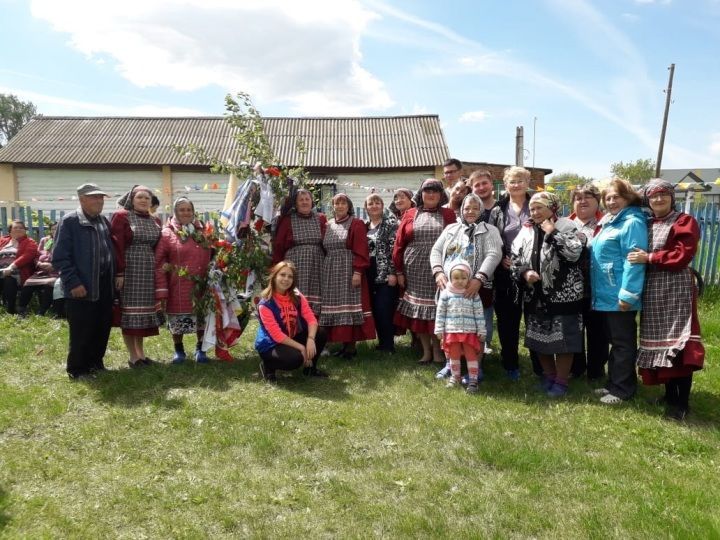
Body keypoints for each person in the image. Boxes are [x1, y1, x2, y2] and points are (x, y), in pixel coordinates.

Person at [627, 179, 704, 420]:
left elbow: (681, 255)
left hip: (676, 288)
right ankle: (670, 394)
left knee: (678, 342)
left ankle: (682, 403)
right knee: (661, 342)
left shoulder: (684, 222)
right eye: (653, 196)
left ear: (672, 197)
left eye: (663, 195)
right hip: (653, 289)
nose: (658, 200)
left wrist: (650, 257)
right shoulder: (647, 223)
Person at [511, 192, 586, 397]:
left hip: (564, 296)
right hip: (535, 295)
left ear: (552, 208)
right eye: (532, 208)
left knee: (563, 342)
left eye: (539, 208)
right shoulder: (526, 230)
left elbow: (574, 253)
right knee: (539, 339)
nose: (534, 212)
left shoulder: (567, 226)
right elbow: (514, 257)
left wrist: (552, 233)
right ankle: (549, 376)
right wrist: (525, 272)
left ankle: (562, 382)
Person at [430, 193, 502, 379]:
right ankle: (450, 364)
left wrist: (479, 279)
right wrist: (438, 272)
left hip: (476, 288)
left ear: (481, 210)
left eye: (475, 208)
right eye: (467, 208)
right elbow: (436, 250)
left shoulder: (489, 230)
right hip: (451, 289)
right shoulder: (452, 229)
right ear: (461, 209)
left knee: (478, 327)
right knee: (450, 327)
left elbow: (494, 254)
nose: (470, 211)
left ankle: (475, 367)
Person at [590, 178, 647, 404]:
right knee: (615, 341)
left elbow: (634, 260)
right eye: (608, 197)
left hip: (619, 294)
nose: (611, 201)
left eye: (617, 197)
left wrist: (628, 295)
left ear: (628, 198)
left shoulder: (632, 222)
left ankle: (623, 390)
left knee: (623, 343)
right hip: (605, 293)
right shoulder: (610, 222)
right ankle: (614, 383)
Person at [52, 183, 115, 380]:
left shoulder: (103, 220)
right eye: (94, 197)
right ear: (81, 199)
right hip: (82, 283)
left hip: (104, 282)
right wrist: (73, 283)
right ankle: (77, 369)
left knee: (102, 324)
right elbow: (61, 257)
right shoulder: (70, 221)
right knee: (82, 328)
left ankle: (96, 363)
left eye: (101, 198)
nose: (99, 201)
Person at [393, 178, 457, 363]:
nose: (431, 194)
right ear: (421, 195)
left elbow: (454, 242)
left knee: (438, 309)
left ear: (441, 195)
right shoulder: (410, 213)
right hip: (414, 268)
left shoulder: (448, 214)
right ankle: (426, 351)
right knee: (419, 312)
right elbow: (399, 244)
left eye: (435, 191)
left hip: (440, 269)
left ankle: (438, 351)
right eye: (427, 191)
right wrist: (398, 271)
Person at [488, 166, 539, 380]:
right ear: (505, 184)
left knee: (536, 320)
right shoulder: (498, 210)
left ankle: (540, 367)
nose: (516, 184)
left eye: (520, 180)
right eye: (512, 181)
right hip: (506, 273)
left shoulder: (537, 204)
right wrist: (500, 259)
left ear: (527, 183)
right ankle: (510, 364)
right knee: (508, 322)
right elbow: (491, 238)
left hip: (536, 272)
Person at [112, 185, 165, 368]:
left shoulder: (155, 221)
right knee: (130, 313)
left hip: (148, 270)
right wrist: (119, 272)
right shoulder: (122, 217)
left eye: (147, 198)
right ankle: (133, 356)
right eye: (139, 197)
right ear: (131, 200)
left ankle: (141, 354)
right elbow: (117, 245)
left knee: (143, 313)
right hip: (130, 268)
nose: (143, 201)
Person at [155, 197, 213, 364]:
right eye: (182, 210)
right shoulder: (167, 233)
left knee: (201, 316)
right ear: (175, 212)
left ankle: (200, 349)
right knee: (177, 316)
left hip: (201, 283)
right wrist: (162, 285)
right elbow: (159, 261)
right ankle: (179, 350)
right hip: (177, 284)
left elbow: (214, 252)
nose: (186, 213)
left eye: (189, 209)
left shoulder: (203, 231)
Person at [319, 193, 376, 357]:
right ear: (333, 206)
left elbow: (361, 249)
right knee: (332, 305)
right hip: (330, 270)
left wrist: (358, 272)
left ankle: (350, 347)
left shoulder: (356, 223)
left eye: (343, 203)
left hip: (348, 269)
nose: (340, 206)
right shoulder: (328, 225)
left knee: (350, 305)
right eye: (337, 203)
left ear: (349, 206)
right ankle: (337, 343)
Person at [255, 261, 328, 382]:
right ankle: (268, 366)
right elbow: (277, 336)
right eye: (282, 275)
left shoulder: (297, 296)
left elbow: (311, 319)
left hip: (290, 336)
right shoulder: (265, 304)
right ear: (274, 276)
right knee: (294, 360)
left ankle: (310, 369)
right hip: (271, 344)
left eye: (290, 276)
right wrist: (302, 348)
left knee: (320, 333)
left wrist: (310, 339)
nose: (286, 279)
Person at [568, 183, 608, 380]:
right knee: (573, 329)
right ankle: (576, 368)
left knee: (598, 331)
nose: (582, 201)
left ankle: (596, 370)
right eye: (578, 198)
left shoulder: (606, 223)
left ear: (597, 201)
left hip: (598, 287)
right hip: (570, 289)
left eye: (588, 197)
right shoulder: (565, 224)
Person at [272, 188, 327, 316]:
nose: (304, 202)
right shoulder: (288, 220)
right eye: (301, 200)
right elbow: (279, 244)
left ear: (312, 202)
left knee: (317, 295)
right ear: (295, 204)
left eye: (307, 199)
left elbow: (327, 241)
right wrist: (277, 267)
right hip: (294, 264)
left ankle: (315, 329)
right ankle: (294, 325)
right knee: (294, 293)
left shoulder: (321, 218)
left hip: (317, 264)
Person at [435, 260, 486, 394]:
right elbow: (440, 313)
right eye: (456, 278)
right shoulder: (446, 293)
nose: (460, 281)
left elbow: (479, 313)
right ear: (450, 277)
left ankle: (473, 381)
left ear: (468, 278)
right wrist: (439, 330)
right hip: (451, 331)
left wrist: (481, 330)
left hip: (469, 332)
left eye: (463, 278)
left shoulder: (472, 294)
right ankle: (455, 377)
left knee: (471, 355)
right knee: (454, 355)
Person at [364, 193, 399, 353]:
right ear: (366, 208)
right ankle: (382, 342)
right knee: (374, 308)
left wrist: (393, 272)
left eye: (378, 202)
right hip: (369, 272)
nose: (374, 205)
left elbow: (394, 250)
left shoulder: (390, 224)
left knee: (384, 308)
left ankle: (388, 344)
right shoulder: (364, 226)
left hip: (385, 272)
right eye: (371, 203)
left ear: (382, 206)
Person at [469, 169, 498, 353]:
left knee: (490, 308)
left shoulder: (501, 207)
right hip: (472, 269)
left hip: (499, 266)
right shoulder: (469, 209)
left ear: (491, 184)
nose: (481, 187)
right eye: (476, 185)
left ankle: (485, 344)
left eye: (484, 183)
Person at [18, 222, 60, 317]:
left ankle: (42, 311)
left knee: (49, 285)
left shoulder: (66, 241)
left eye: (57, 228)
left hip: (56, 272)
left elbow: (68, 258)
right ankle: (21, 309)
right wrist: (40, 263)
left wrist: (54, 265)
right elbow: (36, 256)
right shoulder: (45, 240)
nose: (55, 231)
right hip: (41, 271)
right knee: (27, 284)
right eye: (53, 229)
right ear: (50, 230)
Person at [0, 221, 38, 315]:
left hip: (18, 272)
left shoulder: (30, 242)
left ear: (25, 231)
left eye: (21, 228)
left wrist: (10, 267)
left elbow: (27, 256)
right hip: (1, 271)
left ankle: (11, 309)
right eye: (15, 227)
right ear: (10, 231)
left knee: (9, 279)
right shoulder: (2, 241)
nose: (18, 229)